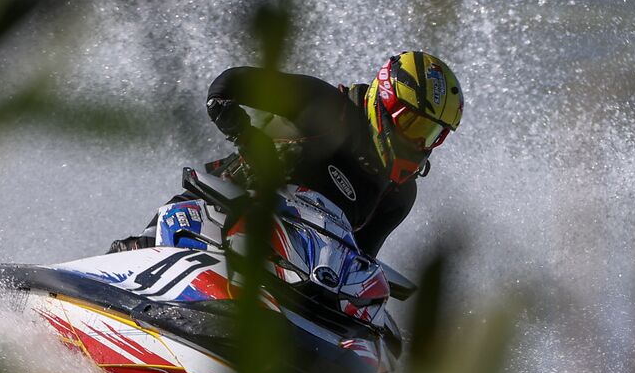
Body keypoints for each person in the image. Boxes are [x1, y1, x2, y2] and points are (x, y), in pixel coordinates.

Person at [110, 51, 463, 257]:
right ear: (386, 104)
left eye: (432, 134)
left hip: (285, 274)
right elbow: (225, 88)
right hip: (213, 216)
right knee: (147, 244)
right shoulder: (325, 105)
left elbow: (360, 260)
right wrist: (249, 138)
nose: (420, 144)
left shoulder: (399, 195)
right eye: (415, 127)